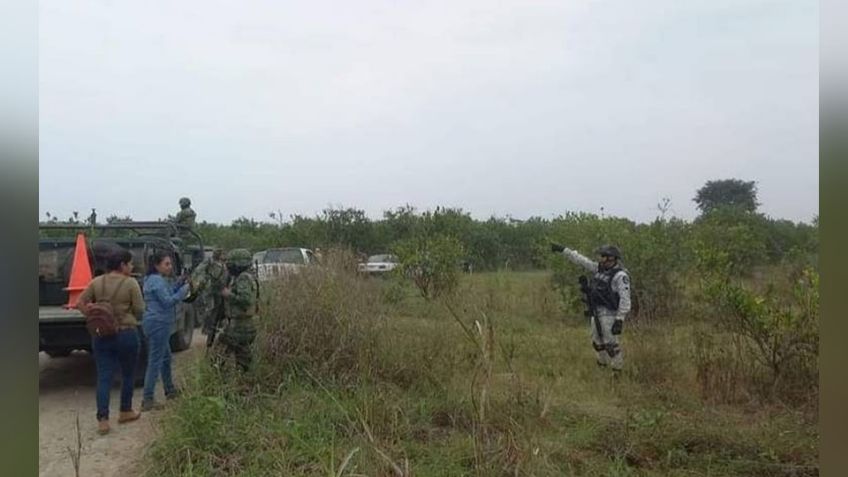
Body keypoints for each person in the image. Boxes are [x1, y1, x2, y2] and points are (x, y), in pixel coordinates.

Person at [77, 248, 145, 435]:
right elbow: (140, 310)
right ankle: (125, 411)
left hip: (101, 335)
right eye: (130, 263)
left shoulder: (96, 282)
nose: (131, 267)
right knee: (128, 374)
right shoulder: (131, 283)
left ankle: (103, 420)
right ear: (122, 265)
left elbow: (80, 303)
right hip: (126, 334)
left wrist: (92, 314)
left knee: (104, 376)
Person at [550, 243, 632, 372]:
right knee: (597, 343)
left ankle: (617, 372)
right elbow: (582, 260)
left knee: (611, 345)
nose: (601, 259)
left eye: (604, 256)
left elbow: (625, 299)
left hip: (609, 314)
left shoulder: (620, 276)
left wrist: (619, 319)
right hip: (596, 312)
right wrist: (564, 250)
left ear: (612, 258)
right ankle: (602, 367)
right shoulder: (599, 269)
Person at [140, 250, 190, 411]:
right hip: (158, 323)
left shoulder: (153, 280)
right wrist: (184, 291)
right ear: (157, 265)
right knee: (155, 360)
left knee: (166, 358)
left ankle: (170, 390)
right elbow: (168, 301)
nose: (169, 267)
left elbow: (167, 293)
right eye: (166, 264)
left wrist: (179, 283)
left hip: (156, 323)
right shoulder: (156, 281)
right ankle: (147, 398)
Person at [216, 248, 260, 371]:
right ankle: (244, 383)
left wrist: (228, 294)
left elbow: (246, 300)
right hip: (244, 325)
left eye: (231, 263)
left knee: (219, 355)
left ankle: (219, 380)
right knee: (243, 360)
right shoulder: (247, 276)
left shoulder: (244, 278)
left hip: (240, 326)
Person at [190, 248, 228, 340]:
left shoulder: (223, 263)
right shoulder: (210, 261)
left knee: (218, 307)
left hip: (218, 287)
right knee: (209, 307)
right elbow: (199, 270)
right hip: (209, 287)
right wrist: (196, 280)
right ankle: (206, 328)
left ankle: (214, 326)